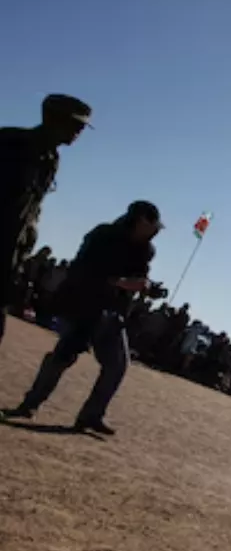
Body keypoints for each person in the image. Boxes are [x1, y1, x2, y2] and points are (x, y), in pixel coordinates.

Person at [1, 201, 161, 434]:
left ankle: (91, 416)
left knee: (117, 365)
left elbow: (139, 276)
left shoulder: (146, 250)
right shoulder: (103, 236)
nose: (155, 230)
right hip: (85, 306)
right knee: (62, 357)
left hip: (113, 313)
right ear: (139, 220)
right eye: (152, 225)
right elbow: (82, 271)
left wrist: (146, 287)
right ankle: (28, 405)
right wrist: (118, 282)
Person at [1, 94, 91, 347]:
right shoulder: (11, 143)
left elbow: (31, 208)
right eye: (77, 124)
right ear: (56, 121)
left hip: (9, 254)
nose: (80, 131)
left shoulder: (51, 159)